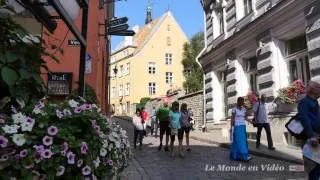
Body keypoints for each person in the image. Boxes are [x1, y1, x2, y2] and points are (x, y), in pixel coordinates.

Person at [298, 80, 320, 180]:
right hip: (311, 139)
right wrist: (311, 137)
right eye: (319, 88)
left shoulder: (315, 102)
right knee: (313, 168)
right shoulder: (304, 102)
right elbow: (305, 119)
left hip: (317, 138)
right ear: (312, 89)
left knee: (318, 167)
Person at [230, 97, 252, 161]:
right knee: (238, 142)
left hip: (243, 126)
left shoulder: (244, 109)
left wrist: (251, 121)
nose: (242, 103)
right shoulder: (234, 109)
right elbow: (232, 119)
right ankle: (238, 156)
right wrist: (231, 128)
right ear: (238, 101)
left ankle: (244, 156)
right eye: (241, 101)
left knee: (244, 141)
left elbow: (245, 118)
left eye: (243, 102)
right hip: (237, 126)